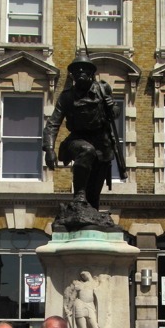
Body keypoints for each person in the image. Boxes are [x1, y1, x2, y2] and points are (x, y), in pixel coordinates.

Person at [42, 55, 120, 211]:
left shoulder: (103, 89)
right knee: (86, 151)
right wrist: (49, 149)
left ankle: (90, 215)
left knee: (94, 195)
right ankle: (78, 196)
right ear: (72, 75)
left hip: (102, 142)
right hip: (77, 139)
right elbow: (53, 123)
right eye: (76, 70)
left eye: (84, 69)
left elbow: (115, 114)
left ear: (91, 72)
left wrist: (112, 107)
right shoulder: (67, 96)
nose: (80, 72)